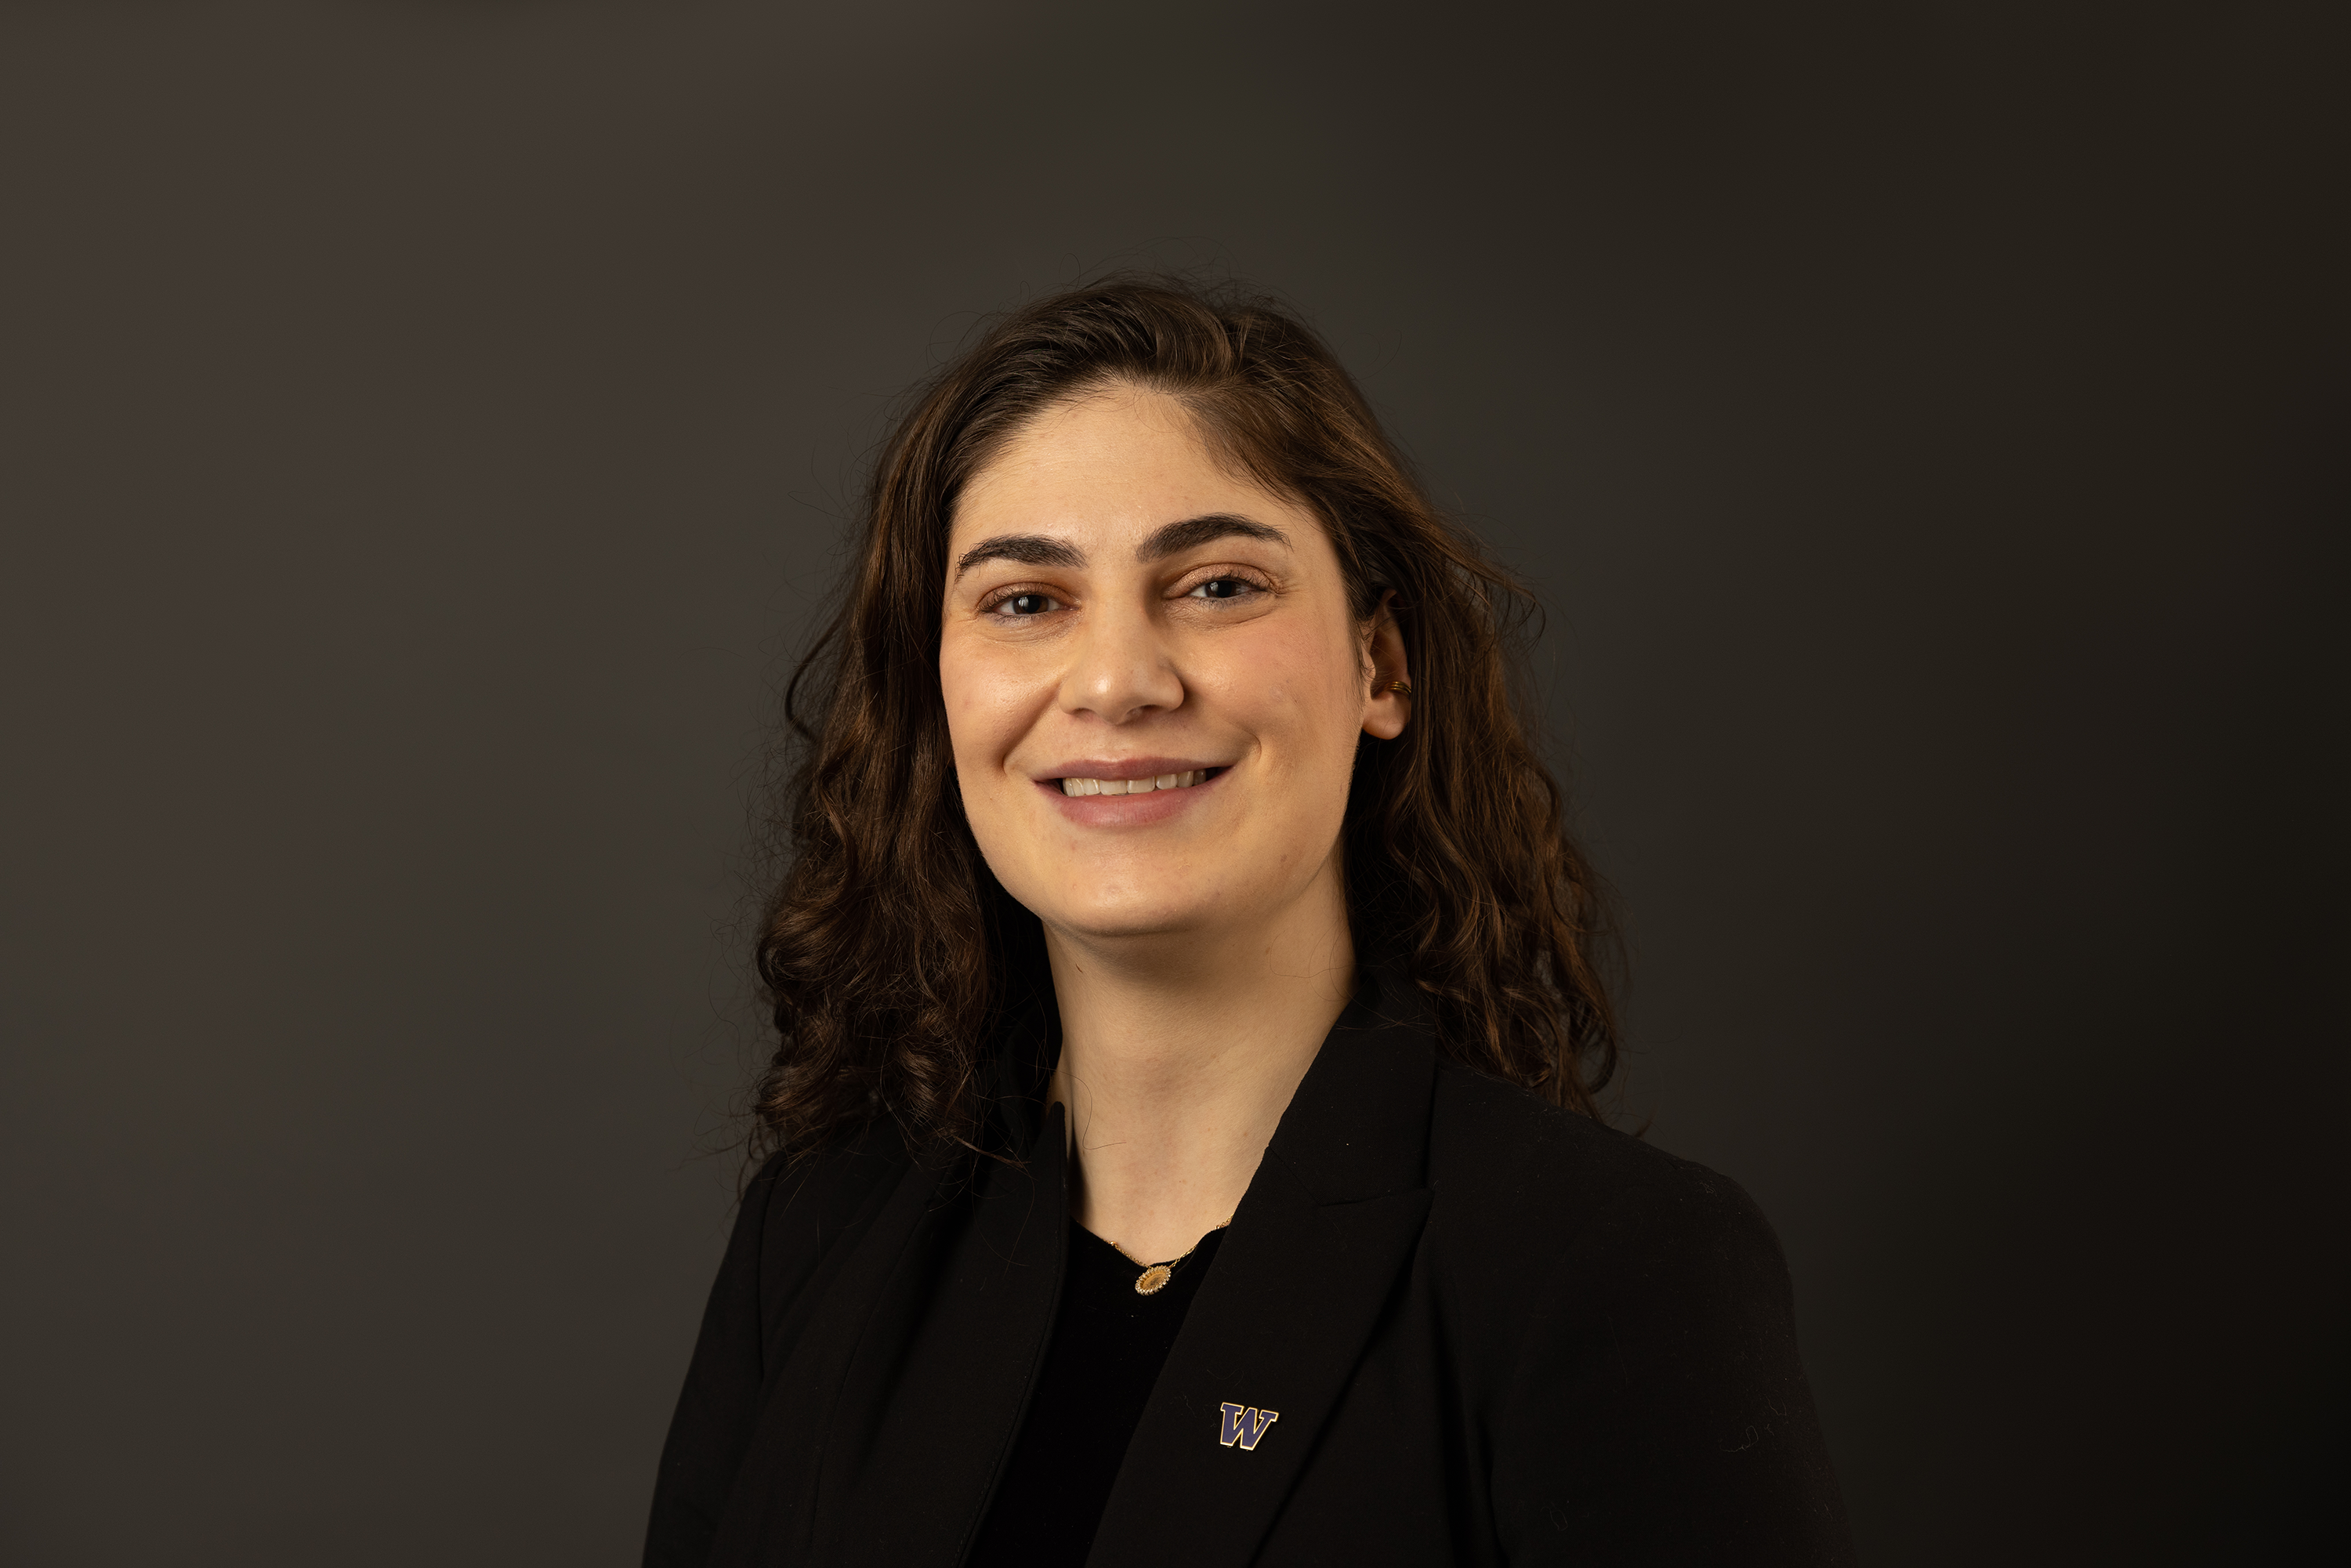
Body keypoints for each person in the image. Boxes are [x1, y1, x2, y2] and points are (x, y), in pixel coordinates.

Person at [643, 278, 1854, 1567]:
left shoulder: (1610, 1266)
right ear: (938, 691)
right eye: (1024, 601)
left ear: (1380, 667)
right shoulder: (820, 1231)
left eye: (1218, 585)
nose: (1116, 681)